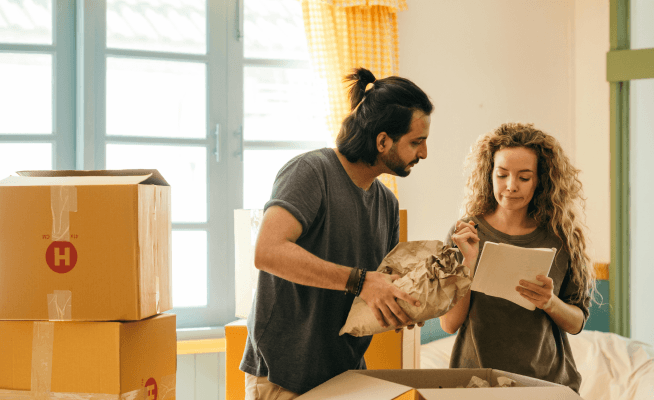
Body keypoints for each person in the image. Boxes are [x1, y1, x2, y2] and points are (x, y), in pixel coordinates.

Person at [239, 67, 471, 399]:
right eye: (416, 142)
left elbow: (376, 289)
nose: (423, 153)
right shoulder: (311, 172)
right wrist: (361, 281)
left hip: (347, 377)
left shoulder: (387, 204)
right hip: (283, 378)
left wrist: (404, 305)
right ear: (382, 141)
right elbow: (268, 252)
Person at [439, 122, 596, 393]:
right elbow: (448, 324)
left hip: (547, 384)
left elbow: (577, 322)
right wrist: (469, 262)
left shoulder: (560, 238)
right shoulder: (464, 234)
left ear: (540, 180)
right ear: (489, 175)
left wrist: (550, 302)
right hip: (477, 384)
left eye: (524, 178)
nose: (511, 186)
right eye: (502, 175)